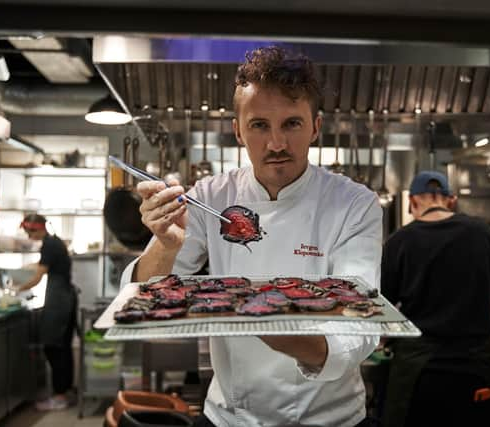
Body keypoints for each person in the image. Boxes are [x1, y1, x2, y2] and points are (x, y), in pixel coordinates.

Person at [121, 46, 383, 427]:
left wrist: (258, 316)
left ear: (316, 127)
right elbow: (143, 299)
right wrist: (166, 244)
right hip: (231, 415)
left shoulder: (354, 204)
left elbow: (355, 327)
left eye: (291, 124)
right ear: (238, 131)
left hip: (330, 417)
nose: (276, 144)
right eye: (259, 125)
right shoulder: (210, 197)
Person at [380, 171, 490, 427]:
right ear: (451, 201)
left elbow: (381, 310)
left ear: (413, 203)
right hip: (476, 368)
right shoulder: (482, 232)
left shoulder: (400, 241)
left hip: (419, 373)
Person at [15, 214, 77, 411]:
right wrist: (29, 268)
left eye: (29, 231)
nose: (29, 235)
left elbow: (39, 276)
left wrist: (16, 289)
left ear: (38, 228)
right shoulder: (54, 242)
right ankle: (66, 393)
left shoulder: (49, 245)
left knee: (53, 346)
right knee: (63, 346)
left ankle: (59, 396)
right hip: (65, 297)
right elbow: (44, 266)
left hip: (59, 300)